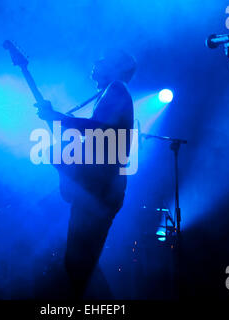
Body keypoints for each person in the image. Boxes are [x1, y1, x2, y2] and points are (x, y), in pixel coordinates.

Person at [35, 50, 136, 298]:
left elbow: (100, 130)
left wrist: (58, 118)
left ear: (116, 68)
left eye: (102, 61)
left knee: (78, 263)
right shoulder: (109, 92)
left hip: (99, 190)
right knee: (80, 262)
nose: (94, 64)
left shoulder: (116, 89)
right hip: (98, 189)